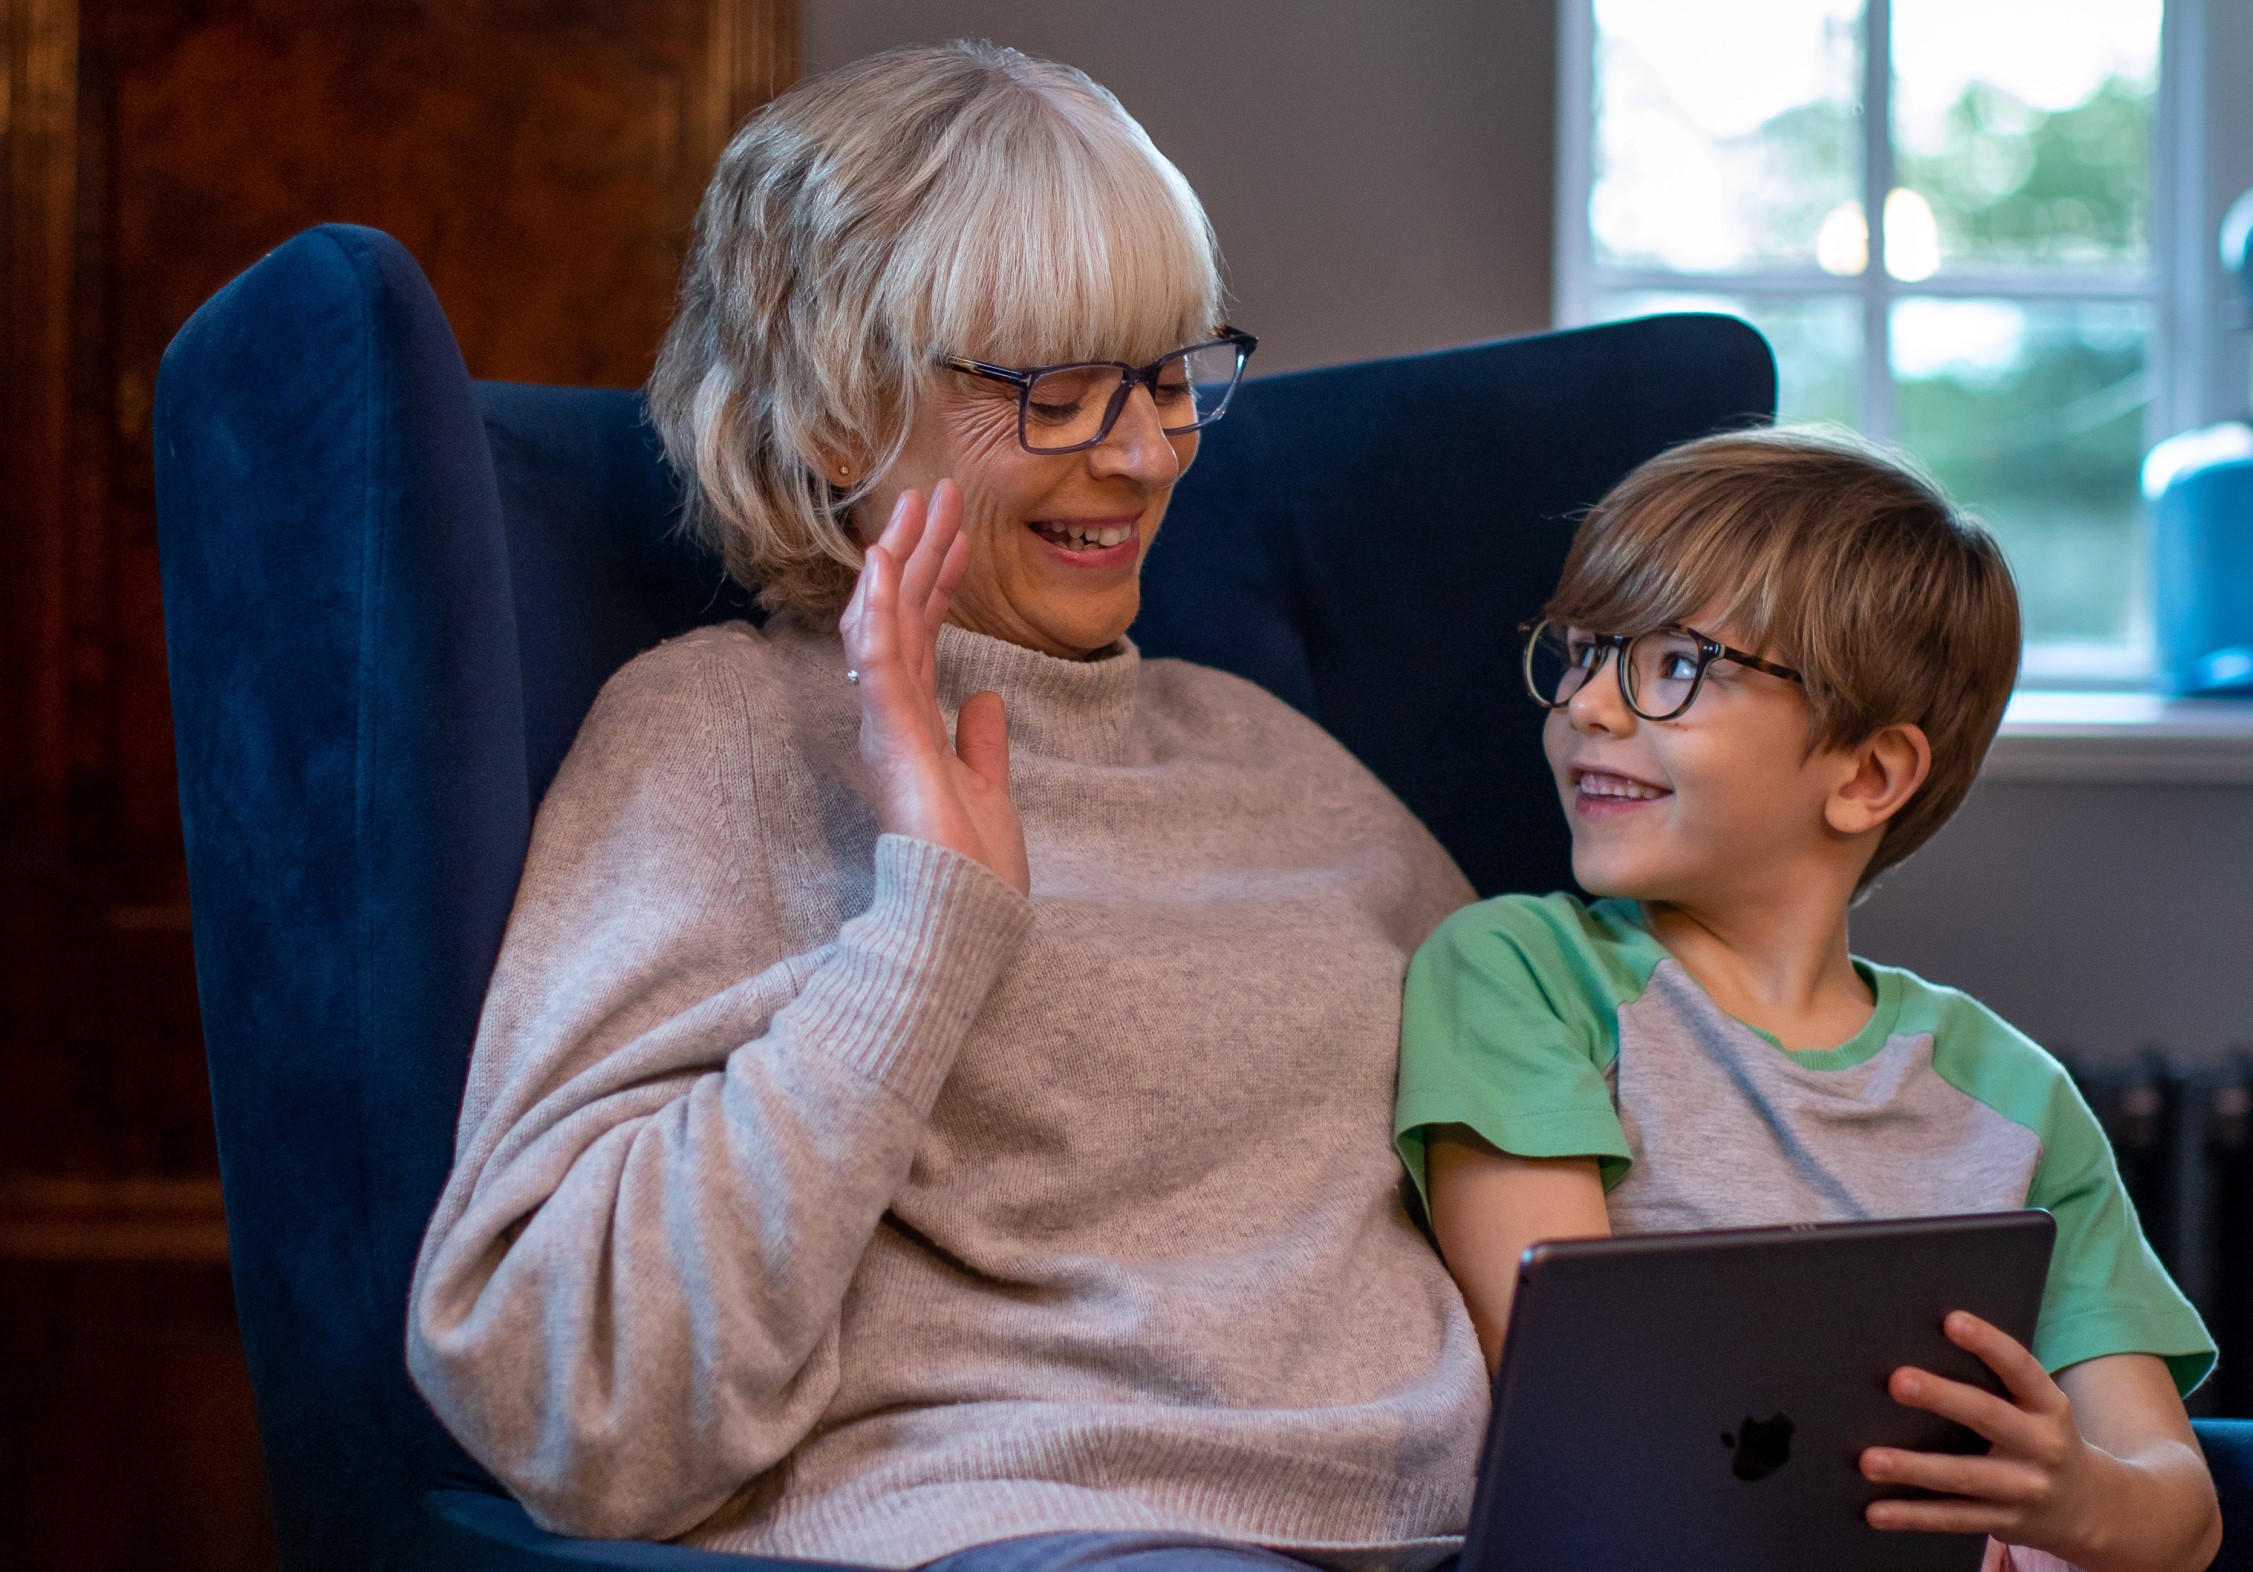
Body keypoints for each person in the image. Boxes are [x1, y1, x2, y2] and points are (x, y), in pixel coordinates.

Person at [405, 43, 1487, 1571]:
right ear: (840, 412)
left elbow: (1585, 1113)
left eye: (1171, 374)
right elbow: (579, 1401)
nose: (1145, 449)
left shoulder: (1274, 760)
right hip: (1050, 1525)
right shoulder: (720, 738)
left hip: (1474, 1520)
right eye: (1055, 391)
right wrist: (924, 934)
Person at [1394, 428, 2223, 1572]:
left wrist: (2072, 1494)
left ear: (1868, 776)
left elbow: (2180, 1516)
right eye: (1583, 652)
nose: (1587, 704)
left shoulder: (2014, 1095)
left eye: (1675, 664)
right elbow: (1579, 1411)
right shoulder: (1521, 973)